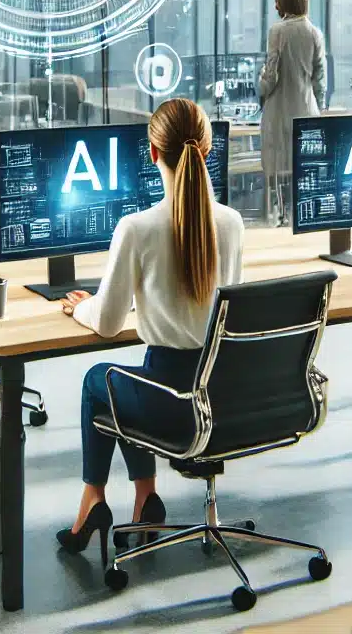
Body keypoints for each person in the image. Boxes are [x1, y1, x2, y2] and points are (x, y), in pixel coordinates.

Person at [56, 98, 246, 560]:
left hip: (170, 408)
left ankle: (93, 501)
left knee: (97, 382)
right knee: (135, 377)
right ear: (207, 149)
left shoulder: (136, 228)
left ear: (153, 153)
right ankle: (146, 498)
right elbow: (224, 313)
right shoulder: (233, 223)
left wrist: (82, 307)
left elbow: (105, 324)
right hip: (222, 400)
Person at [258, 0, 327, 226]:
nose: (275, 4)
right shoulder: (314, 32)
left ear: (285, 1)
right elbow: (320, 78)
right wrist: (319, 107)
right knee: (304, 170)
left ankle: (280, 220)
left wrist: (260, 84)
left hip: (280, 110)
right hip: (307, 110)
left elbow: (271, 75)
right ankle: (303, 219)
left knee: (278, 172)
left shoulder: (278, 31)